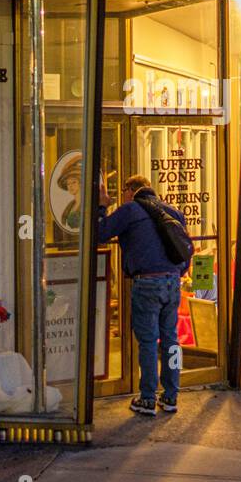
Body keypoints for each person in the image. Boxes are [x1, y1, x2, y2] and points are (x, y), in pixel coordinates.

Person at [96, 173, 189, 416]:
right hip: (172, 282)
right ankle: (171, 395)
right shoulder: (172, 211)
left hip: (147, 283)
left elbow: (99, 233)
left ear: (130, 190)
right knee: (171, 341)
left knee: (148, 342)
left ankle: (148, 397)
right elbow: (184, 248)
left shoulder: (131, 210)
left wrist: (102, 207)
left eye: (124, 190)